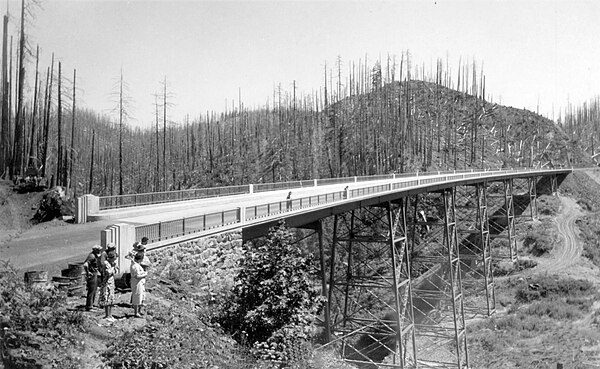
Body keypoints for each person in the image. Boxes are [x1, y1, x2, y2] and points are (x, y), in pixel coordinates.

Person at [98, 249, 118, 321]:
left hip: (111, 283)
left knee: (111, 299)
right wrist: (113, 267)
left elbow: (114, 272)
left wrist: (114, 268)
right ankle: (107, 315)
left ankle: (110, 315)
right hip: (107, 283)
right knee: (107, 299)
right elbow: (108, 272)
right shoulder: (106, 263)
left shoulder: (112, 263)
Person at [83, 244, 102, 311]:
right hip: (92, 274)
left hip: (95, 273)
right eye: (99, 249)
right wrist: (88, 272)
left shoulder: (95, 255)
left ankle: (91, 304)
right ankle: (89, 306)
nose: (100, 250)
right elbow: (85, 264)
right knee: (91, 290)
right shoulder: (92, 256)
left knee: (94, 290)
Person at [130, 253, 148, 318]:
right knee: (137, 296)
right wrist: (145, 274)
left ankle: (139, 311)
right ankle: (136, 312)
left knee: (141, 296)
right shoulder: (135, 266)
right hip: (137, 283)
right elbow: (137, 276)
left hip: (140, 283)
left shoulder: (137, 265)